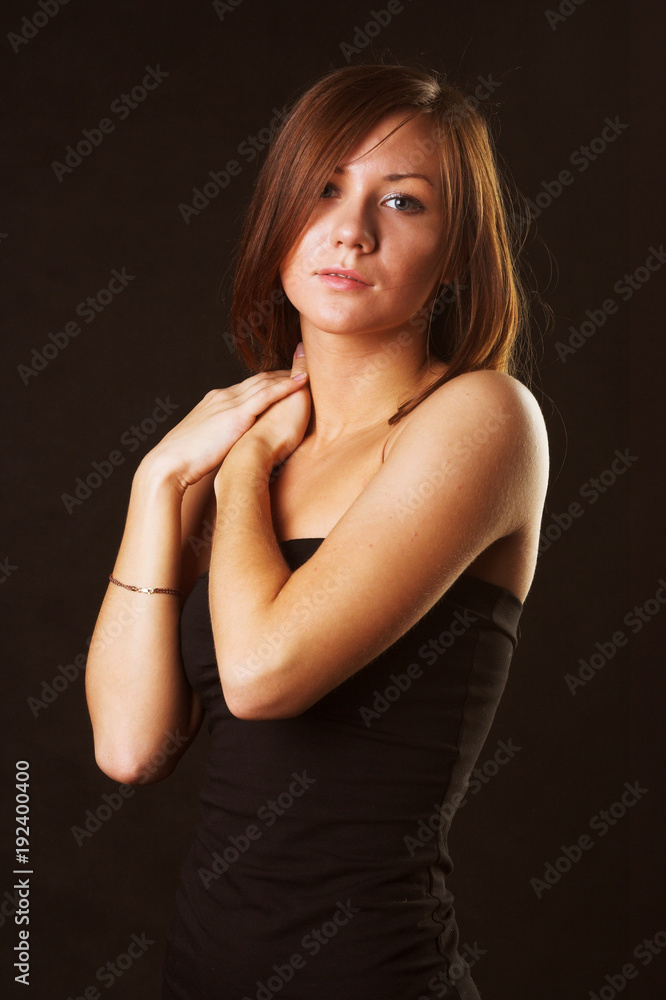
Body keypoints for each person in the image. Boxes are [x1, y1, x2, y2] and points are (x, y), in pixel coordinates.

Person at [85, 62, 550, 999]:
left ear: (455, 253)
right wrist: (158, 481)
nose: (351, 228)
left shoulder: (480, 419)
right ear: (281, 217)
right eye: (327, 187)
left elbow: (260, 679)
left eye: (404, 202)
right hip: (199, 971)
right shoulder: (245, 457)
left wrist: (243, 468)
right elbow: (131, 747)